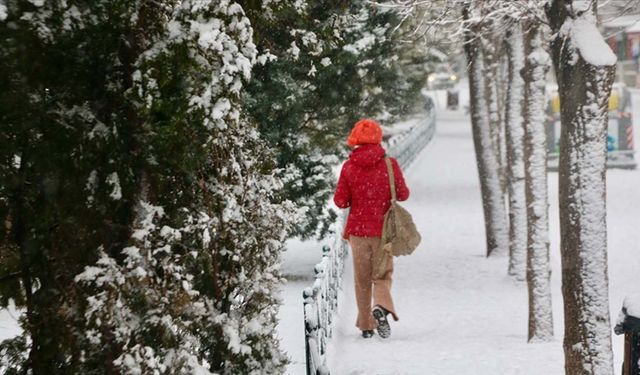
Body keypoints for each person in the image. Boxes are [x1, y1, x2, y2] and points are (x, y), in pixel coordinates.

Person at [333, 118, 410, 339]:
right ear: (378, 138)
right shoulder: (389, 164)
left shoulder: (349, 166)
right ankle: (381, 306)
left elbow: (340, 201)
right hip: (383, 231)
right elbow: (403, 194)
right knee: (382, 275)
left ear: (355, 139)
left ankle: (366, 325)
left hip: (357, 232)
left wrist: (356, 193)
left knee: (362, 279)